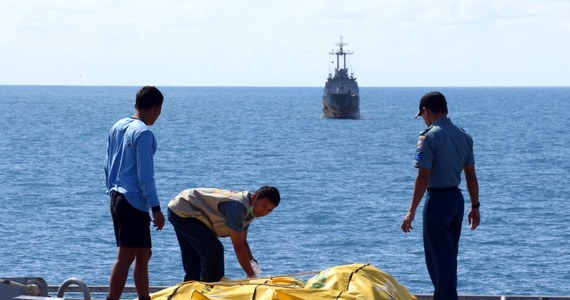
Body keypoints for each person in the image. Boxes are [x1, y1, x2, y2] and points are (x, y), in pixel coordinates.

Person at [401, 91, 480, 300]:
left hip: (437, 202)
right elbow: (471, 176)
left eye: (423, 115)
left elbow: (423, 175)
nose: (423, 119)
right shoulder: (464, 136)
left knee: (438, 261)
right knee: (449, 258)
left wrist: (411, 210)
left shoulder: (428, 137)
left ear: (426, 111)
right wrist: (475, 206)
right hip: (456, 201)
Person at [104, 86, 166, 300]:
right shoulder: (144, 133)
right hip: (133, 201)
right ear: (157, 108)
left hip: (117, 197)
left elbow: (107, 164)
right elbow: (145, 175)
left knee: (144, 252)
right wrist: (156, 208)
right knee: (126, 255)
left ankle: (143, 297)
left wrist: (111, 192)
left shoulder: (118, 126)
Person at [167, 186, 280, 282]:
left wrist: (252, 262)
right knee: (214, 250)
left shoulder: (250, 211)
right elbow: (238, 246)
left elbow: (243, 241)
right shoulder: (238, 208)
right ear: (255, 197)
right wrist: (252, 277)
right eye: (264, 206)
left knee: (196, 262)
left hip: (184, 210)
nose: (264, 212)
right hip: (183, 209)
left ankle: (191, 292)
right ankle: (210, 289)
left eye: (269, 210)